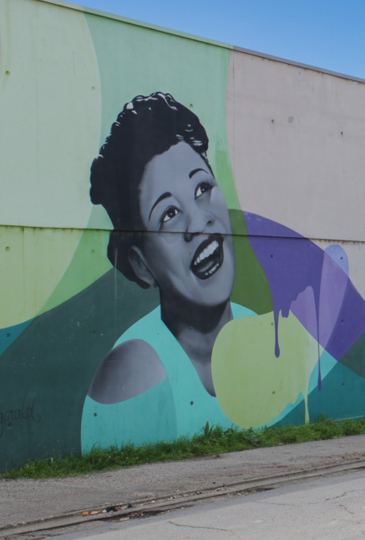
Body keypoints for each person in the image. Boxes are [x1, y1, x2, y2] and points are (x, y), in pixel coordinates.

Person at [82, 93, 252, 449]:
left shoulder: (262, 332)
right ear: (141, 265)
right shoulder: (135, 370)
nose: (199, 221)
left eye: (203, 188)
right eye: (169, 214)